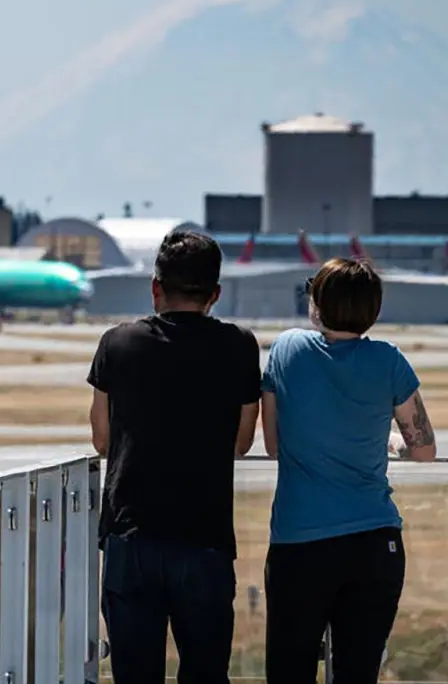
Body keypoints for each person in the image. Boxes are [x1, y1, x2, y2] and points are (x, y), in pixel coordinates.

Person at [88, 230, 261, 684]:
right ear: (215, 294)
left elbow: (101, 439)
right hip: (204, 539)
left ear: (155, 287)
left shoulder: (117, 343)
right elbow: (242, 442)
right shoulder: (239, 345)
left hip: (132, 536)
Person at [260, 257, 437, 683]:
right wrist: (392, 442)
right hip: (374, 543)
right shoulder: (389, 360)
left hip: (301, 543)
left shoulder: (288, 348)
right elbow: (425, 449)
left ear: (317, 304)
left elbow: (271, 444)